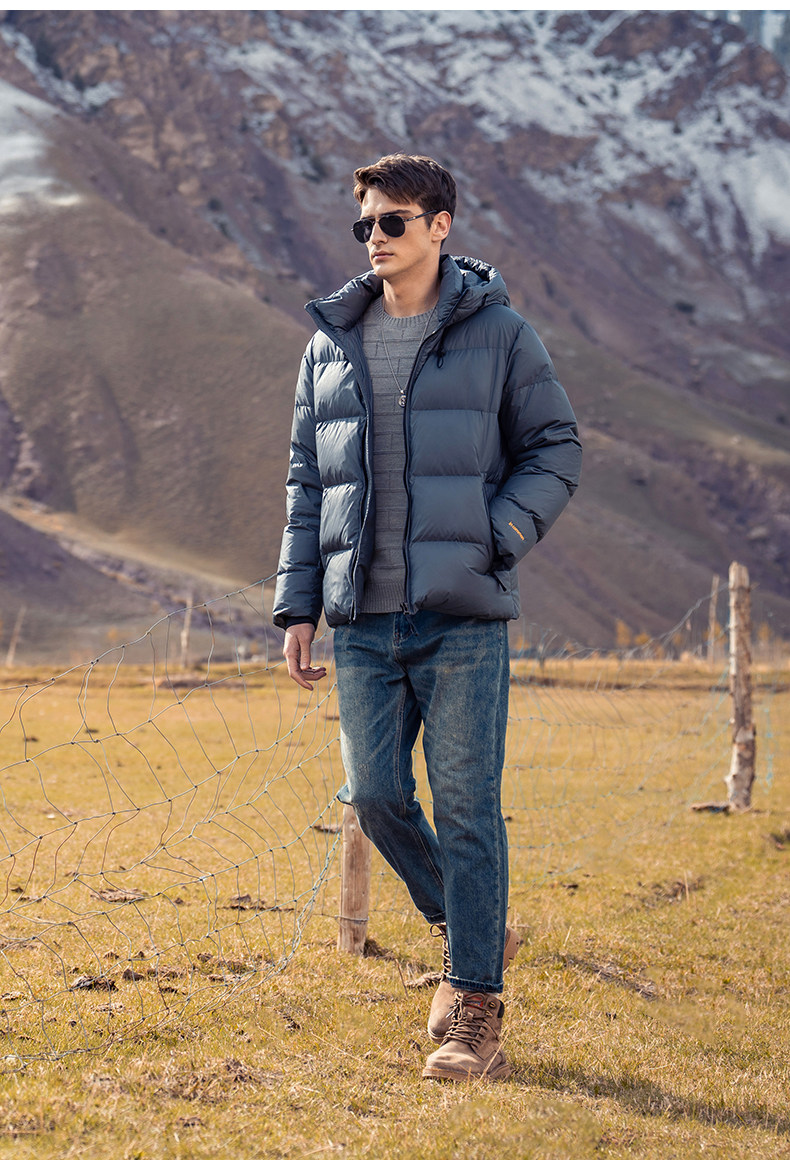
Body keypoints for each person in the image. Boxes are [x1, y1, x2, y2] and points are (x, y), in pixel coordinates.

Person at [273, 153, 581, 1082]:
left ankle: (475, 1010)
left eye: (394, 221)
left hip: (462, 617)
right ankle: (466, 919)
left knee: (468, 807)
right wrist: (297, 604)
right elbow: (307, 483)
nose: (375, 237)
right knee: (373, 795)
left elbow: (555, 447)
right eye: (365, 223)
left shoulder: (501, 333)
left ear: (440, 226)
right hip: (363, 618)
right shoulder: (331, 344)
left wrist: (498, 535)